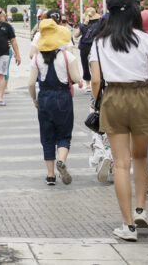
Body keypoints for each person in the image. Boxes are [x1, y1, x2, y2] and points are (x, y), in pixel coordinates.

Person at [89, 0, 148, 242]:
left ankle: (128, 225)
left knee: (121, 163)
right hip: (143, 95)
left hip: (113, 97)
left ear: (109, 14)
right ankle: (142, 209)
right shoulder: (147, 40)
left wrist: (98, 104)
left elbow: (96, 80)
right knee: (140, 156)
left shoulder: (99, 42)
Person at [28, 19, 83, 186]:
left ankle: (50, 175)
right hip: (63, 97)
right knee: (64, 134)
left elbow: (31, 83)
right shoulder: (68, 56)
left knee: (47, 136)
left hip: (44, 97)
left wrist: (35, 99)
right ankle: (62, 160)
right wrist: (79, 81)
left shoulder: (36, 58)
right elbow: (75, 78)